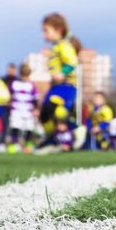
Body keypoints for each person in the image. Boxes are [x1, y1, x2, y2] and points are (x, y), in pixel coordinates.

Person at [39, 12, 86, 150]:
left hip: (67, 86)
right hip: (57, 87)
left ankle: (76, 130)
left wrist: (62, 73)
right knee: (45, 115)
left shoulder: (63, 45)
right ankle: (50, 140)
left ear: (58, 29)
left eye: (46, 30)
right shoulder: (56, 46)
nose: (43, 35)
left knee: (54, 109)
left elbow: (72, 62)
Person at [7, 63, 39, 154]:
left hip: (28, 110)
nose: (25, 78)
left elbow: (36, 98)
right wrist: (9, 103)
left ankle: (28, 145)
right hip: (16, 110)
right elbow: (9, 95)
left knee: (29, 127)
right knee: (15, 127)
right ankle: (13, 145)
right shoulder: (14, 84)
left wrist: (36, 109)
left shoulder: (31, 85)